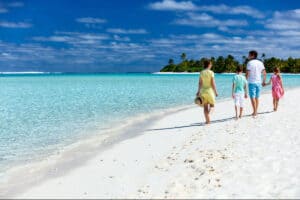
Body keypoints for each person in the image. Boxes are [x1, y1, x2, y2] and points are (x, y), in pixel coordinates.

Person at [196, 59, 218, 124]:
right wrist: (216, 92)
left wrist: (198, 91)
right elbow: (213, 83)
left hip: (203, 91)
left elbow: (200, 83)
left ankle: (207, 121)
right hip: (210, 91)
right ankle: (208, 115)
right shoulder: (211, 72)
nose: (211, 65)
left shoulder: (201, 72)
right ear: (209, 65)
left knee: (205, 106)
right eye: (211, 64)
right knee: (212, 105)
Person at [246, 50, 267, 117]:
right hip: (259, 82)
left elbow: (248, 73)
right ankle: (255, 111)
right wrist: (263, 81)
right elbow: (264, 73)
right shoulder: (260, 63)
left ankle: (255, 112)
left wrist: (244, 81)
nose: (248, 56)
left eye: (249, 55)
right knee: (257, 97)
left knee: (252, 97)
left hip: (252, 82)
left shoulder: (249, 63)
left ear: (252, 55)